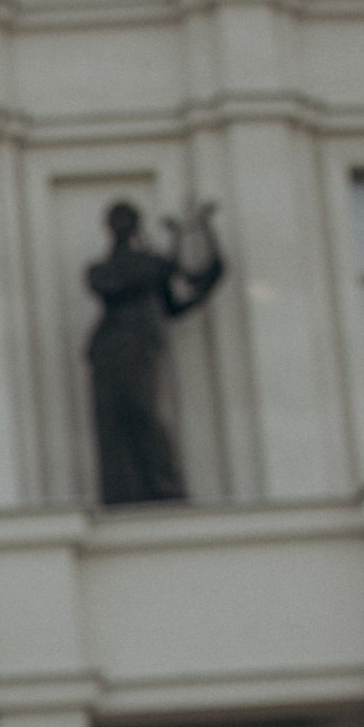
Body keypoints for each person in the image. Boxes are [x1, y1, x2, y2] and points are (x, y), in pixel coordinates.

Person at [84, 199, 223, 504]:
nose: (121, 228)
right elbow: (110, 281)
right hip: (109, 350)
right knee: (113, 422)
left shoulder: (151, 267)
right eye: (116, 221)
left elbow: (197, 283)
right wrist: (165, 259)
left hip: (140, 348)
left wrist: (204, 229)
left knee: (142, 412)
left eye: (126, 221)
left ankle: (163, 488)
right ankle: (123, 492)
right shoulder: (117, 268)